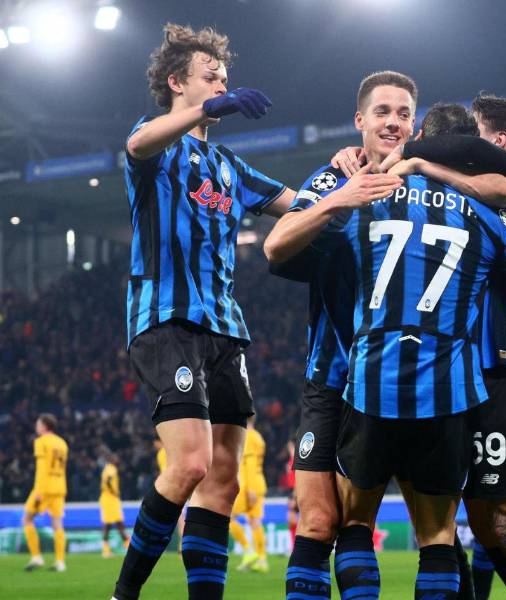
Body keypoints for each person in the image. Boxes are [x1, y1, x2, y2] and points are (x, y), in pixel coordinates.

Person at [274, 99, 506, 599]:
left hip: (501, 369)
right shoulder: (457, 201)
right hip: (452, 373)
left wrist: (402, 153)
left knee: (502, 526)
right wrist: (374, 155)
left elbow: (505, 191)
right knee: (453, 527)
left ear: (495, 145)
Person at [112, 23, 294, 600]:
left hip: (225, 328)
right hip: (166, 320)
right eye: (209, 77)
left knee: (221, 481)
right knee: (188, 464)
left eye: (225, 78)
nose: (222, 85)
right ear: (175, 83)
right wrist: (211, 107)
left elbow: (301, 206)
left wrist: (360, 175)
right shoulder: (155, 143)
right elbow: (137, 147)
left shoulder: (230, 169)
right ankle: (125, 593)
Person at [22, 414, 69, 573]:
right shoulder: (62, 443)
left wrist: (39, 491)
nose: (37, 426)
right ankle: (60, 561)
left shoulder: (40, 442)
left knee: (27, 519)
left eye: (38, 424)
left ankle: (36, 556)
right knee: (57, 524)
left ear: (44, 426)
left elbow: (42, 468)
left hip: (44, 487)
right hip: (60, 487)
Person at [229, 416, 269, 573]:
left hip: (248, 486)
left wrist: (249, 489)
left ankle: (248, 551)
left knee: (228, 517)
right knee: (255, 521)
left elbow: (250, 464)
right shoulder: (258, 436)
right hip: (258, 482)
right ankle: (261, 560)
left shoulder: (248, 436)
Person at [100, 453, 131, 558]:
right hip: (110, 499)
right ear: (111, 459)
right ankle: (126, 546)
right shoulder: (111, 468)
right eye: (116, 458)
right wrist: (113, 491)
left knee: (113, 524)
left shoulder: (106, 468)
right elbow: (108, 480)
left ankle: (107, 549)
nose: (117, 460)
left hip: (108, 499)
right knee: (115, 523)